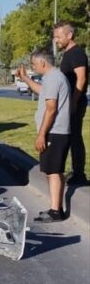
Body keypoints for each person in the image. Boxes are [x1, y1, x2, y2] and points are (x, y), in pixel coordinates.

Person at [17, 50, 71, 222]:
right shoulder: (52, 77)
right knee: (51, 170)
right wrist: (25, 78)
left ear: (42, 63)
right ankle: (55, 208)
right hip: (54, 132)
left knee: (53, 171)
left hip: (54, 132)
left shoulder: (53, 77)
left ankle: (56, 211)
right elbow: (41, 91)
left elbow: (51, 108)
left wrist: (41, 135)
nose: (33, 67)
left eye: (33, 64)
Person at [53, 21, 88, 185]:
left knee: (74, 137)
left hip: (75, 103)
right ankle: (74, 171)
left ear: (70, 35)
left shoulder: (77, 53)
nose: (56, 40)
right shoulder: (68, 53)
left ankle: (79, 174)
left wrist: (74, 102)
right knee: (70, 136)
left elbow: (81, 79)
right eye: (55, 37)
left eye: (58, 37)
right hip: (68, 103)